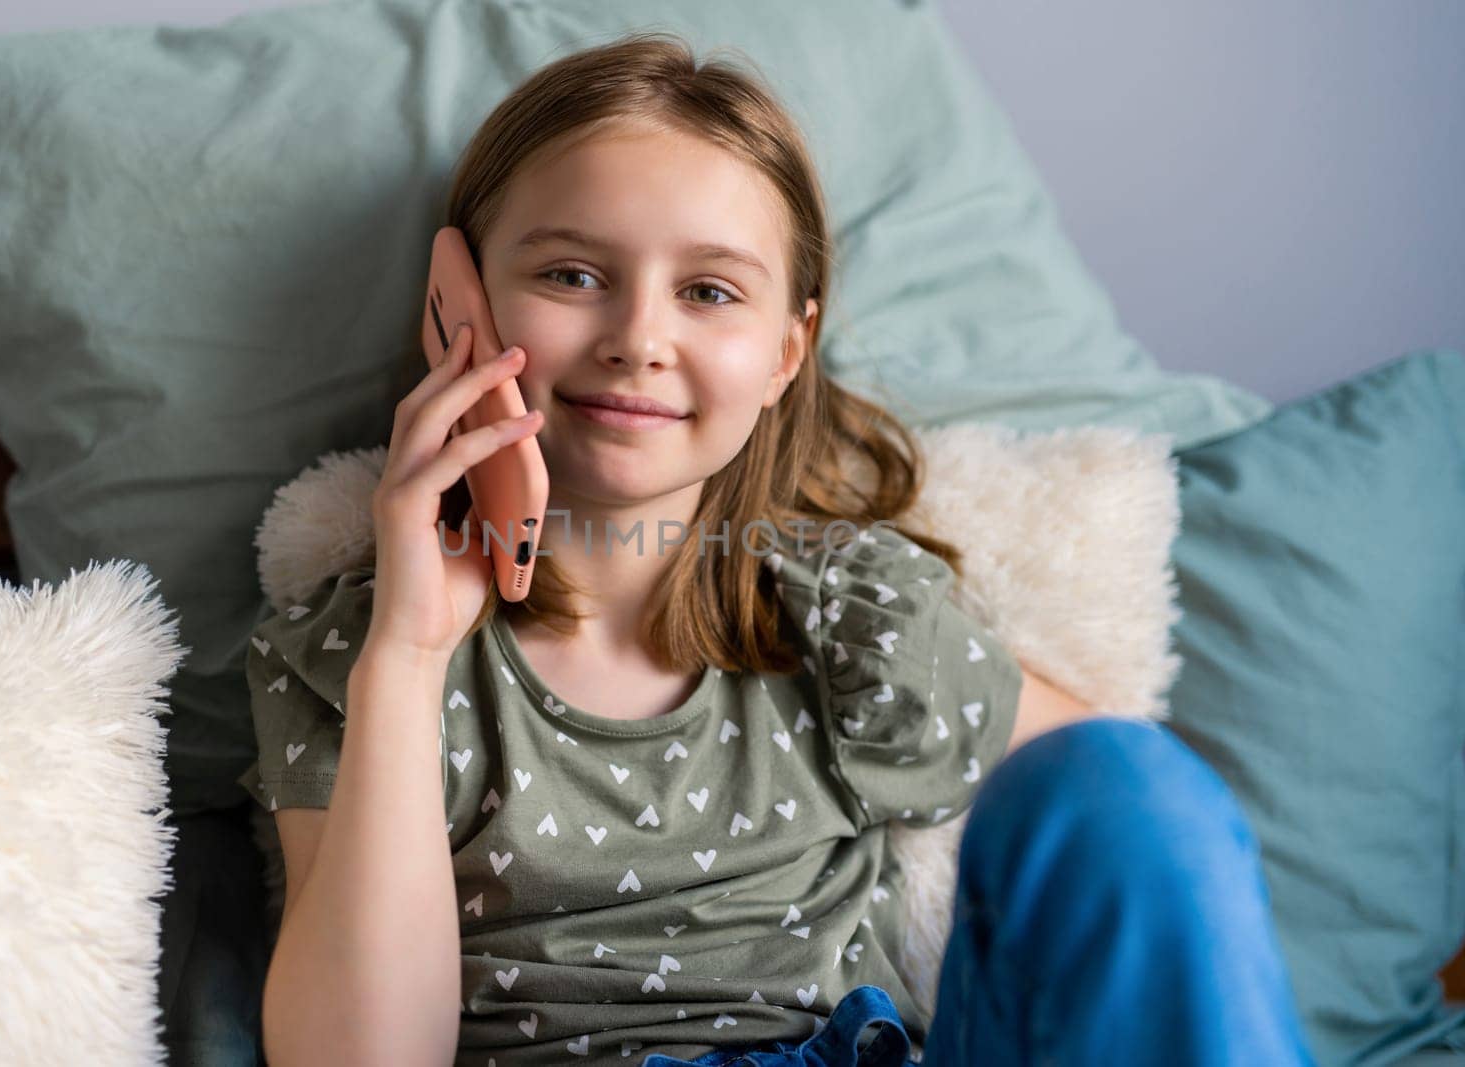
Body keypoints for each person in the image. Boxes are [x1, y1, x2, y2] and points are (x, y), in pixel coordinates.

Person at [235, 31, 1317, 1067]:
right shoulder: (360, 658)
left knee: (1121, 778)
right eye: (571, 274)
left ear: (785, 351)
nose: (638, 339)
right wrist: (407, 656)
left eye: (708, 292)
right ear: (455, 306)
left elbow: (1130, 828)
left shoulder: (848, 618)